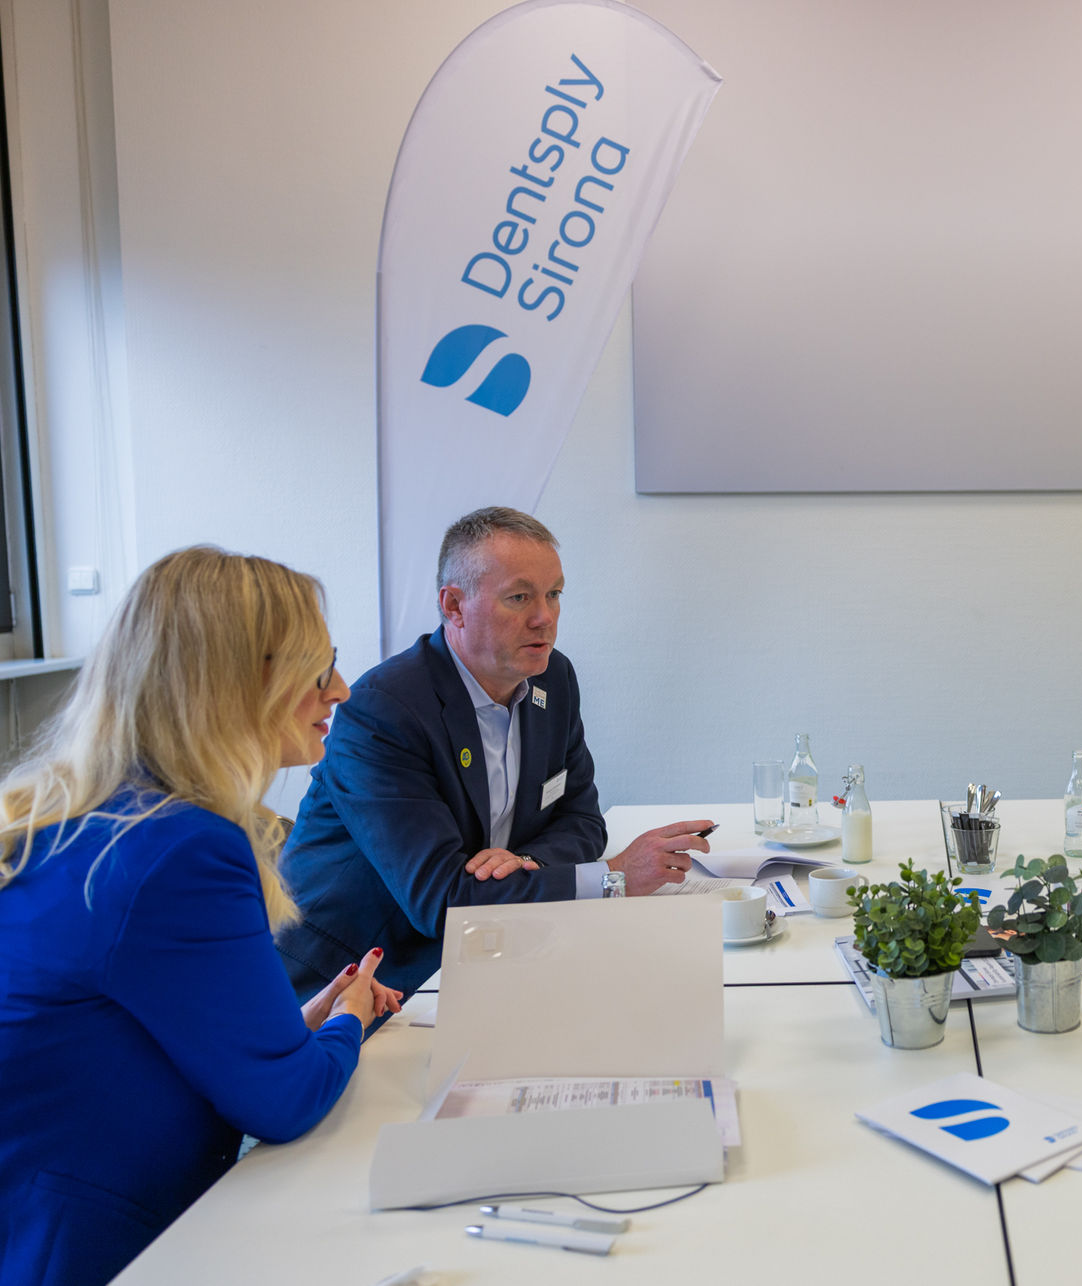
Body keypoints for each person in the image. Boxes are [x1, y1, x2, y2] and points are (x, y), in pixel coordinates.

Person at [0, 547, 401, 1286]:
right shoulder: (183, 847)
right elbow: (283, 1104)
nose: (340, 690)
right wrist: (348, 1018)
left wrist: (296, 1025)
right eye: (319, 670)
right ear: (239, 684)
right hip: (105, 1249)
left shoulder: (82, 815)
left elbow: (131, 1037)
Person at [276, 507, 713, 999]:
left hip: (489, 953)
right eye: (519, 597)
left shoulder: (552, 678)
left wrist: (522, 862)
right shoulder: (385, 710)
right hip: (359, 982)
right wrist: (613, 878)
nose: (544, 617)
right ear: (454, 606)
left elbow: (583, 822)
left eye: (554, 594)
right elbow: (441, 903)